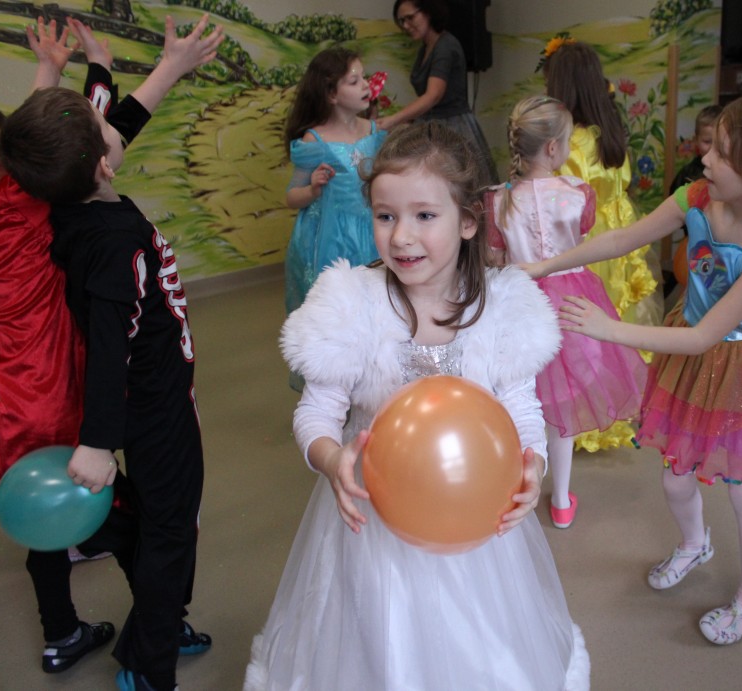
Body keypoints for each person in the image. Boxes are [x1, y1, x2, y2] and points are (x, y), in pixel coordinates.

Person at [245, 121, 589, 690]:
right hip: (373, 524)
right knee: (379, 646)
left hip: (475, 519)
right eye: (385, 216)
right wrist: (331, 459)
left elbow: (521, 409)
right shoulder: (351, 304)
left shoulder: (502, 308)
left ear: (469, 221)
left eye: (425, 215)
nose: (402, 236)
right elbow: (316, 414)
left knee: (475, 646)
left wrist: (533, 463)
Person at [524, 93, 742, 645]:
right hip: (693, 358)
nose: (704, 156)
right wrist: (547, 265)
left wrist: (608, 328)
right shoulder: (698, 196)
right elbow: (623, 238)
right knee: (674, 476)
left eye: (722, 152)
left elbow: (704, 337)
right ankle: (694, 543)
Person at [0, 14, 221, 679]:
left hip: (16, 406)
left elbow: (74, 134)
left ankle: (106, 628)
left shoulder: (35, 194)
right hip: (99, 398)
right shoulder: (50, 211)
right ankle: (152, 649)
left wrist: (74, 70)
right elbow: (97, 131)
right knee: (158, 525)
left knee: (100, 523)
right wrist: (90, 71)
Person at [485, 95, 646, 529]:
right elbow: (583, 237)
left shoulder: (498, 201)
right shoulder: (578, 194)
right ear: (554, 148)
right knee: (561, 407)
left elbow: (495, 259)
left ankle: (513, 487)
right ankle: (559, 501)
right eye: (569, 141)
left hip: (518, 302)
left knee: (518, 397)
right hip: (571, 303)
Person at [543, 39, 660, 452]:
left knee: (583, 327)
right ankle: (616, 401)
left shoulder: (571, 144)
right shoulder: (609, 132)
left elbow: (560, 200)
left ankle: (587, 415)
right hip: (616, 236)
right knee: (612, 318)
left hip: (586, 243)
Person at [283, 47, 386, 317]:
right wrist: (312, 189)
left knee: (375, 303)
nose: (366, 85)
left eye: (364, 77)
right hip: (330, 240)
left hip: (371, 232)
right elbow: (291, 196)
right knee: (337, 309)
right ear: (331, 94)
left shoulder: (373, 131)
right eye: (354, 81)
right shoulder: (315, 140)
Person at [378, 0, 499, 183]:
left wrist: (394, 119)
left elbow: (433, 95)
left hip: (453, 128)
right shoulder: (427, 47)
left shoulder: (445, 46)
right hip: (432, 126)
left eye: (410, 18)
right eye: (402, 21)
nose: (406, 26)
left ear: (428, 12)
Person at [667, 104, 722, 292]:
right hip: (693, 245)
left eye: (718, 143)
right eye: (707, 142)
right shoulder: (688, 174)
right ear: (696, 139)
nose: (712, 150)